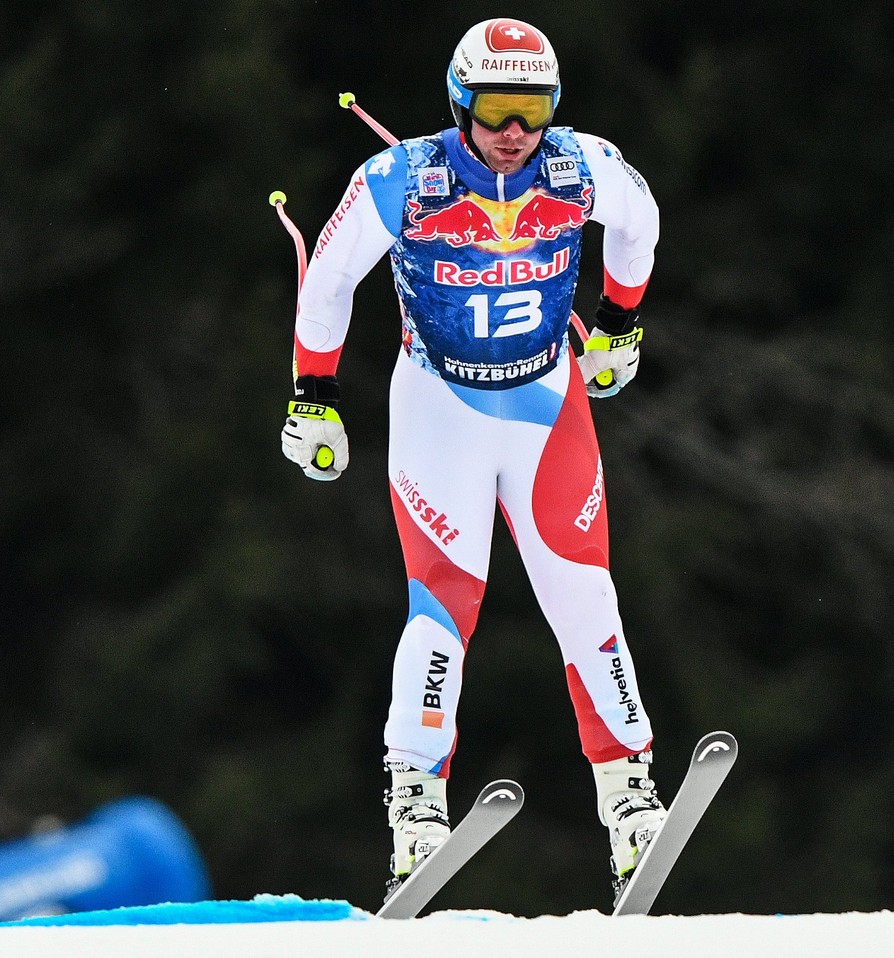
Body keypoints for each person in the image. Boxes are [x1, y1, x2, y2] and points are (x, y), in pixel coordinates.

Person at [278, 17, 665, 902]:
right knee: (442, 607)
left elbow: (639, 222)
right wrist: (312, 394)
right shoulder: (403, 177)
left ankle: (630, 800)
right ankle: (415, 806)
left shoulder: (581, 166)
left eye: (532, 108)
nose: (514, 129)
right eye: (496, 107)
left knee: (587, 594)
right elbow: (331, 276)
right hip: (439, 407)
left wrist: (618, 322)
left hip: (545, 404)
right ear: (460, 102)